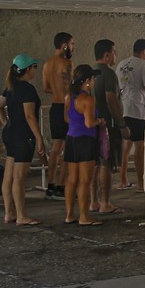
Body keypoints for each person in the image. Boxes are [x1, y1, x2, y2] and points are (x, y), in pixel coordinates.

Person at [1, 53, 48, 227]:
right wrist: (39, 138)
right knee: (19, 178)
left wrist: (6, 122)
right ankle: (21, 215)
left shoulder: (10, 87)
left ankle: (9, 212)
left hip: (10, 133)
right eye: (34, 67)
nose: (35, 70)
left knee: (9, 176)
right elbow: (30, 116)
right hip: (23, 135)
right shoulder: (27, 89)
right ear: (27, 69)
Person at [62, 65, 103, 226]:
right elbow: (89, 123)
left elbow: (66, 118)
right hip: (85, 140)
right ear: (87, 81)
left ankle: (69, 214)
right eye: (92, 79)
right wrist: (100, 121)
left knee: (72, 179)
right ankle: (84, 216)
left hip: (71, 138)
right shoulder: (88, 99)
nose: (93, 82)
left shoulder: (69, 97)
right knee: (85, 181)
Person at [117, 39, 145, 192]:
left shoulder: (121, 64)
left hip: (124, 109)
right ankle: (141, 183)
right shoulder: (143, 64)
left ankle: (123, 179)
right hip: (139, 110)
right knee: (140, 147)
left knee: (126, 146)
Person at [91, 39, 123, 213]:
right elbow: (111, 99)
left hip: (91, 123)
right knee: (106, 163)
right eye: (114, 52)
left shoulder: (89, 72)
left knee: (94, 163)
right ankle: (105, 203)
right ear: (107, 55)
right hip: (106, 125)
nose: (115, 55)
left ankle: (94, 201)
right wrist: (121, 123)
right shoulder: (108, 74)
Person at [41, 32, 75, 200]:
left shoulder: (47, 64)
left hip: (55, 107)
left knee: (55, 149)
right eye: (72, 44)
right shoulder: (67, 63)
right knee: (69, 148)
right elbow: (70, 87)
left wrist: (57, 90)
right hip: (66, 107)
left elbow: (45, 88)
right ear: (64, 45)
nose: (73, 47)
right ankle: (61, 186)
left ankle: (50, 185)